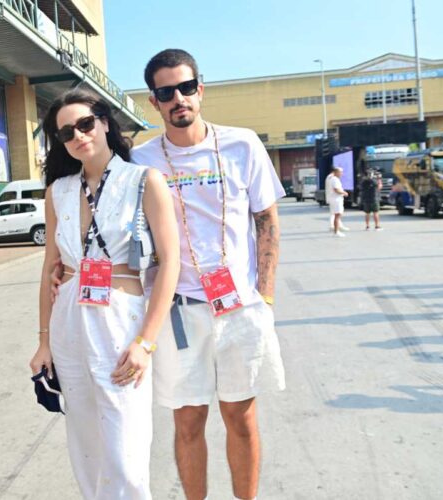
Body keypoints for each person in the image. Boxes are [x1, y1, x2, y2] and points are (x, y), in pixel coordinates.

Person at [129, 48, 286, 500]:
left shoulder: (242, 143)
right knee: (188, 421)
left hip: (240, 307)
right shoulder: (141, 161)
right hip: (178, 310)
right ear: (153, 101)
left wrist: (267, 297)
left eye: (185, 87)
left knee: (241, 416)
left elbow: (267, 221)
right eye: (166, 91)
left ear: (201, 89)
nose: (178, 97)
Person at [29, 89, 180, 499]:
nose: (78, 135)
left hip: (119, 320)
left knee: (125, 449)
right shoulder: (57, 191)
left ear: (105, 122)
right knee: (85, 443)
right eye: (66, 133)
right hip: (68, 322)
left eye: (85, 124)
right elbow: (50, 267)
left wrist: (145, 343)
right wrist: (44, 342)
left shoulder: (144, 181)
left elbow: (170, 262)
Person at [325, 166, 349, 237]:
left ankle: (337, 228)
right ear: (336, 172)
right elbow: (336, 189)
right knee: (337, 215)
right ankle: (336, 231)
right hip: (336, 199)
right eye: (340, 172)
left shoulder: (331, 178)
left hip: (333, 199)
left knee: (336, 215)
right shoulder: (335, 179)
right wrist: (344, 193)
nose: (341, 174)